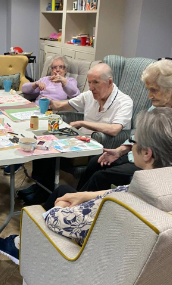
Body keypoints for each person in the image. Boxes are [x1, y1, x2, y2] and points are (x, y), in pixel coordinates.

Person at [0, 108, 172, 264]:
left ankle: (23, 249)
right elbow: (125, 190)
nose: (131, 144)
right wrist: (85, 196)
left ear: (147, 153)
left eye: (135, 139)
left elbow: (56, 220)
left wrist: (63, 206)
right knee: (66, 190)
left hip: (90, 253)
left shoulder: (121, 207)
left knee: (57, 200)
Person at [19, 63, 133, 205]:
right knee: (43, 142)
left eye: (95, 83)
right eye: (89, 82)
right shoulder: (90, 95)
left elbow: (115, 129)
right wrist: (51, 103)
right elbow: (61, 106)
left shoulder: (124, 101)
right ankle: (40, 187)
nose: (91, 87)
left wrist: (83, 123)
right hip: (79, 140)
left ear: (109, 82)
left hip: (98, 146)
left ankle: (44, 194)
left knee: (51, 149)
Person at [77, 59, 172, 192]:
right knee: (95, 162)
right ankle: (74, 198)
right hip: (137, 155)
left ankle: (84, 206)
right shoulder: (162, 102)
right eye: (148, 90)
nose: (150, 96)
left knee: (102, 177)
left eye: (154, 90)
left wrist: (151, 155)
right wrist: (119, 151)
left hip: (155, 166)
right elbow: (140, 133)